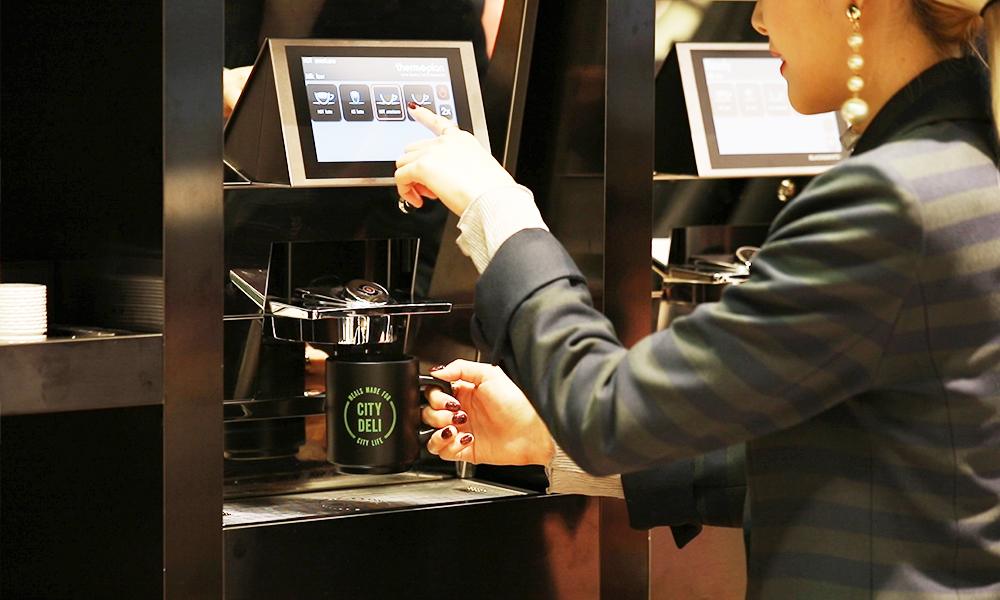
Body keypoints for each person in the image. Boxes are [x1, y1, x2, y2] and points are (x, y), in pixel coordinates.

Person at [394, 0, 1000, 597]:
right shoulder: (967, 168)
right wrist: (549, 442)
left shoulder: (889, 201)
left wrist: (499, 212)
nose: (758, 19)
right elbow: (844, 458)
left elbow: (605, 412)